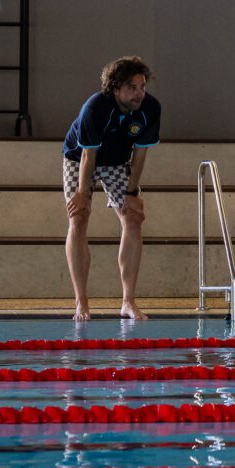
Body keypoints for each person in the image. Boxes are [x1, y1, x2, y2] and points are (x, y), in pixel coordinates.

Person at [62, 57, 161, 321]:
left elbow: (139, 155)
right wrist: (82, 195)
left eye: (142, 86)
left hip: (117, 161)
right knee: (79, 218)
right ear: (115, 89)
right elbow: (87, 157)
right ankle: (81, 302)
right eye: (132, 87)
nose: (139, 93)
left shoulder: (150, 108)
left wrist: (132, 194)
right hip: (79, 158)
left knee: (133, 217)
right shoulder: (95, 108)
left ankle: (128, 301)